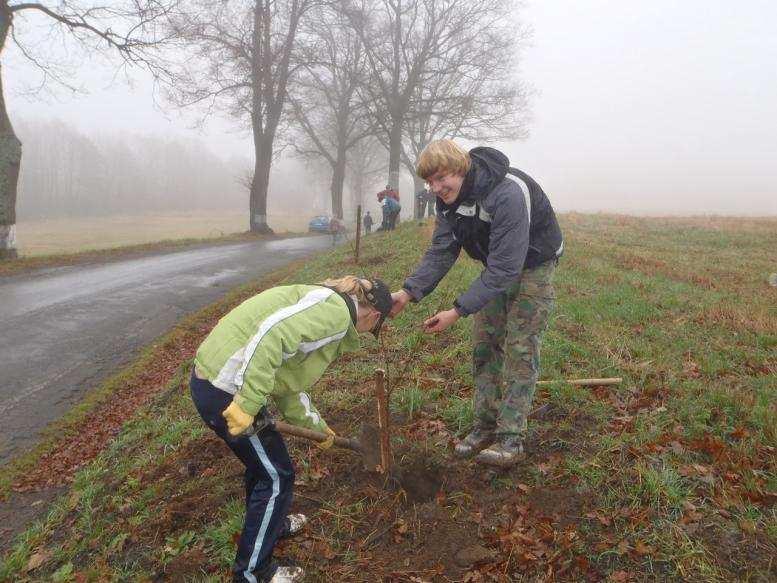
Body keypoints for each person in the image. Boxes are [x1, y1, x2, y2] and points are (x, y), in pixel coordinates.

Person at [190, 277, 393, 582]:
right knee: (276, 476)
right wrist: (246, 405)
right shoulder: (335, 315)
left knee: (263, 468)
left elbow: (287, 382)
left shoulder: (326, 302)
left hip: (221, 379)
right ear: (374, 316)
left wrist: (321, 430)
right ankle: (252, 573)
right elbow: (272, 336)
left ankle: (271, 525)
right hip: (226, 388)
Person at [389, 140, 563, 467]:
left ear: (462, 168)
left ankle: (511, 438)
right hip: (497, 266)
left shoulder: (507, 193)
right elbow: (442, 251)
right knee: (485, 347)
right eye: (430, 181)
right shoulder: (449, 202)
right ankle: (485, 425)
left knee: (520, 349)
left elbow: (506, 268)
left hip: (533, 265)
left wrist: (457, 310)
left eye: (442, 178)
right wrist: (408, 292)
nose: (436, 188)